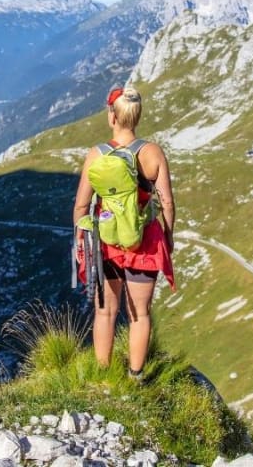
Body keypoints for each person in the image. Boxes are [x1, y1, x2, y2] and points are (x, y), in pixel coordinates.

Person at [73, 86, 176, 379]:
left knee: (105, 311)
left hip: (105, 242)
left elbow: (81, 206)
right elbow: (167, 203)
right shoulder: (153, 153)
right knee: (139, 314)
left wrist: (81, 241)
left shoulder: (96, 155)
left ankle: (103, 377)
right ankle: (135, 375)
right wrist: (168, 237)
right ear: (137, 117)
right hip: (144, 242)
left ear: (112, 117)